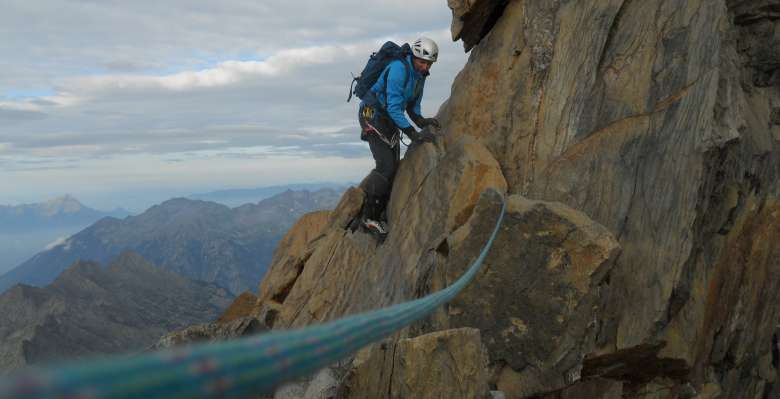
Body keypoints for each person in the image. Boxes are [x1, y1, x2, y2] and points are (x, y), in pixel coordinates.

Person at [357, 37, 441, 239]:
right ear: (413, 57)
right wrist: (412, 133)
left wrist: (421, 121)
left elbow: (412, 104)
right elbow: (394, 106)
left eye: (428, 63)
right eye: (422, 61)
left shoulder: (420, 76)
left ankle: (379, 205)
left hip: (388, 119)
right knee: (386, 165)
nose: (425, 66)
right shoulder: (398, 69)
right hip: (372, 114)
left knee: (393, 166)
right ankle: (369, 218)